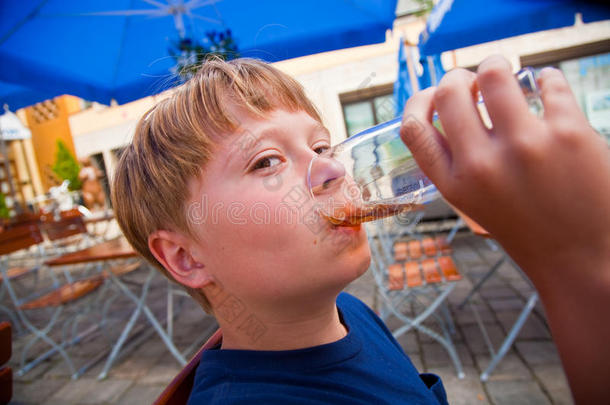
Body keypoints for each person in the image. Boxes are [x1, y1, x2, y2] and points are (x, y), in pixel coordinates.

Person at [111, 55, 610, 404]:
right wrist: (576, 264)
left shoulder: (353, 313)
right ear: (185, 257)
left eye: (322, 146)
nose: (332, 171)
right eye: (266, 161)